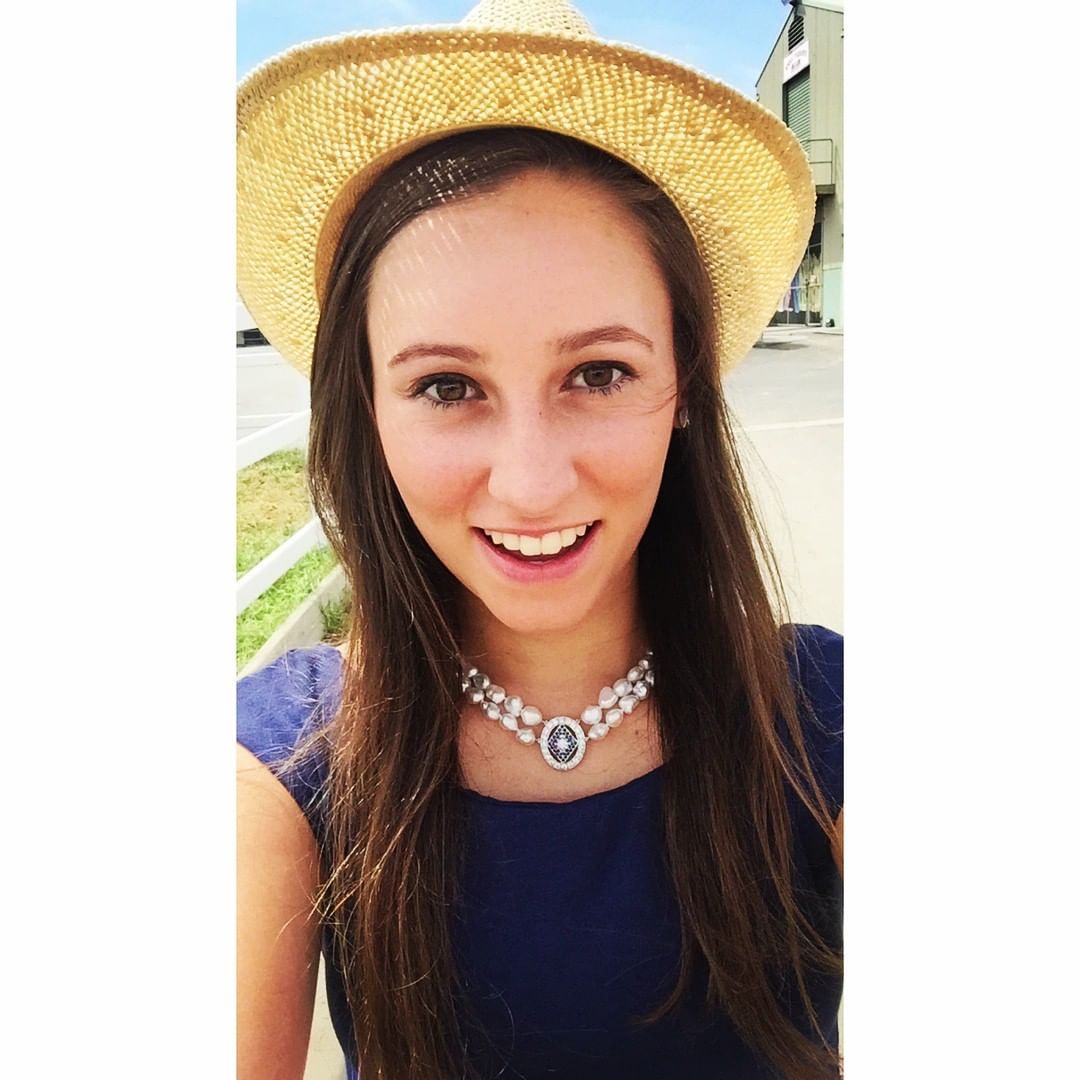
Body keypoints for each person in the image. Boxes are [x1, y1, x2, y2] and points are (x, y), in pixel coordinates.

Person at [236, 2, 843, 1079]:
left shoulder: (824, 717)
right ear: (367, 411)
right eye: (447, 386)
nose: (529, 482)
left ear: (685, 386)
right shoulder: (281, 765)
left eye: (599, 373)